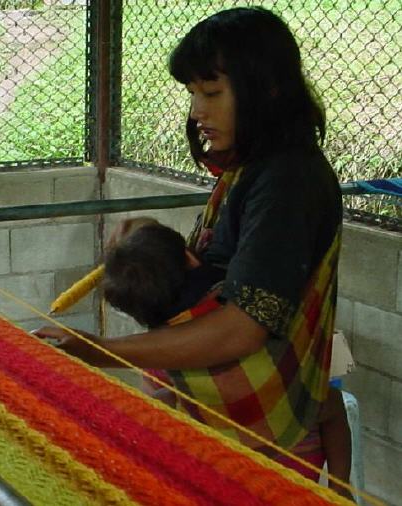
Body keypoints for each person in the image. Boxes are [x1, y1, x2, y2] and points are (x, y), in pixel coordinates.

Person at [34, 6, 350, 497]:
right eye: (192, 94)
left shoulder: (286, 182)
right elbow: (222, 265)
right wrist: (150, 236)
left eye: (212, 93)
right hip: (242, 434)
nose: (197, 112)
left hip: (265, 447)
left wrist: (103, 351)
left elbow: (242, 328)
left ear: (267, 88)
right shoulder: (253, 169)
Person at [102, 220, 352, 495]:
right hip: (287, 470)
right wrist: (339, 490)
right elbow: (332, 406)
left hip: (225, 477)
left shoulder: (160, 354)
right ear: (190, 258)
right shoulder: (252, 312)